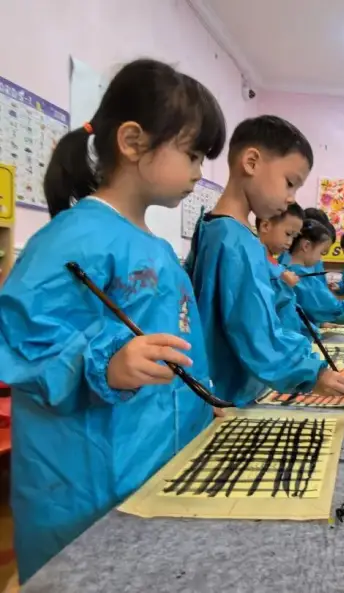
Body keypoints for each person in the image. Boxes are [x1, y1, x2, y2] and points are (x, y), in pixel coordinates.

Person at [0, 59, 227, 583]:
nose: (199, 172)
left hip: (148, 468)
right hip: (88, 485)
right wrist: (103, 363)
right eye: (192, 154)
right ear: (132, 141)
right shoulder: (74, 238)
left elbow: (175, 347)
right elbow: (19, 343)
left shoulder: (154, 246)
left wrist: (201, 401)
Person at [186, 115, 344, 405]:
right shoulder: (236, 241)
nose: (291, 198)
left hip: (212, 385)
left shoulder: (212, 228)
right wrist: (313, 373)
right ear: (251, 162)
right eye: (290, 183)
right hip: (229, 391)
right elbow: (255, 331)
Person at [288, 219, 344, 327]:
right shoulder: (301, 276)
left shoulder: (286, 268)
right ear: (306, 246)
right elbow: (325, 305)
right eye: (321, 252)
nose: (320, 258)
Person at [256, 204, 308, 336]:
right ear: (265, 226)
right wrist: (284, 286)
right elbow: (261, 307)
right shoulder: (256, 263)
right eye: (288, 234)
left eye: (294, 237)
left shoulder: (275, 265)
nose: (290, 242)